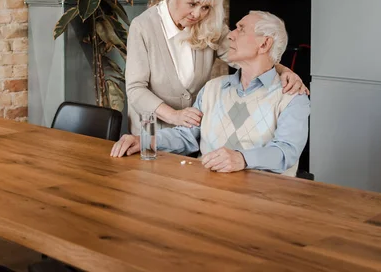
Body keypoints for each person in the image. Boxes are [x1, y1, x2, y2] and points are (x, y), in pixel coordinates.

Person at [112, 11, 310, 176]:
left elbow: (286, 151)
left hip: (262, 202)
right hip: (206, 194)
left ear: (264, 44)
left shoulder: (292, 97)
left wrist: (241, 159)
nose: (231, 35)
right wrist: (143, 140)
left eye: (241, 29)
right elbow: (188, 136)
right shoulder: (212, 89)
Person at [125, 0, 307, 135]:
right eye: (192, 4)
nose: (197, 14)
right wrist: (174, 116)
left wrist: (286, 71)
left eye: (205, 7)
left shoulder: (209, 24)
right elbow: (135, 89)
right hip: (151, 133)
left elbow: (247, 57)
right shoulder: (143, 27)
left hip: (192, 133)